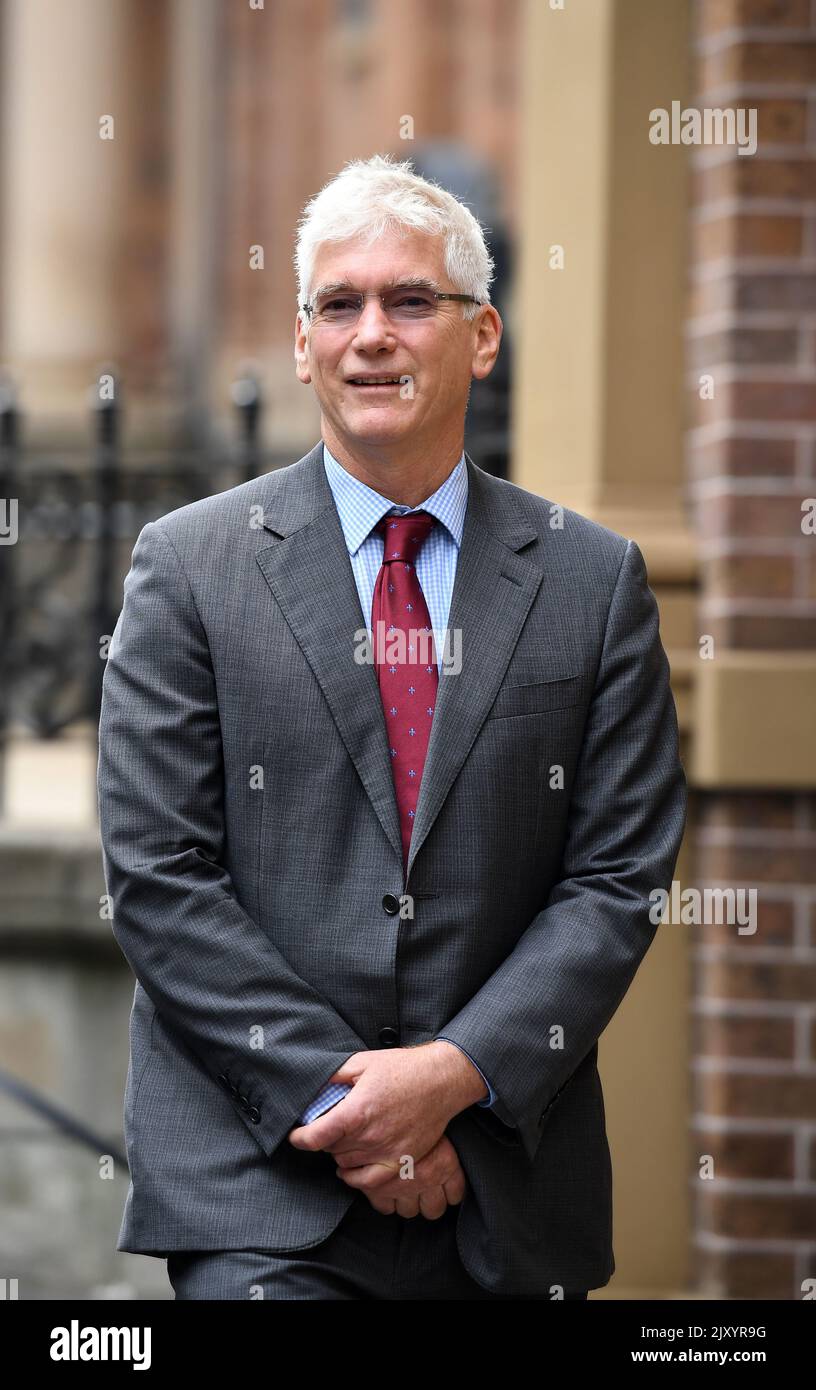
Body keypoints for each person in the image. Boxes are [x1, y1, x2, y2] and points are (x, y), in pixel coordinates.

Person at [97, 153, 687, 1300]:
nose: (371, 334)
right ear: (303, 342)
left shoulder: (592, 579)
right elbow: (159, 873)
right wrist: (352, 1105)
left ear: (483, 335)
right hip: (260, 1188)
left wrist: (455, 1078)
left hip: (507, 1183)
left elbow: (619, 877)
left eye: (411, 300)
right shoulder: (190, 567)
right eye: (339, 305)